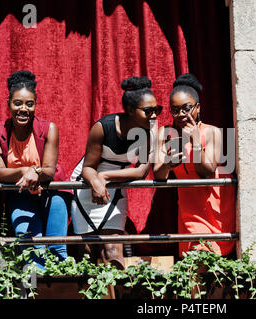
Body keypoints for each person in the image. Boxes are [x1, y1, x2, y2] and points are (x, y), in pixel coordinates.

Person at [70, 76, 160, 269]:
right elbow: (88, 168)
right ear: (129, 110)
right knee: (88, 254)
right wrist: (96, 181)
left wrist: (106, 177)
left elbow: (142, 171)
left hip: (115, 184)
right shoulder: (103, 127)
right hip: (86, 183)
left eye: (156, 110)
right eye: (148, 111)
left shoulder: (148, 133)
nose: (154, 116)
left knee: (113, 253)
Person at [0, 70, 70, 268]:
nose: (23, 109)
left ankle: (59, 291)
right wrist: (27, 170)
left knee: (56, 249)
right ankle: (35, 292)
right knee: (31, 249)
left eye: (29, 104)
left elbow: (49, 170)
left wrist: (37, 172)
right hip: (20, 194)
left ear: (35, 105)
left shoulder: (49, 128)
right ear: (9, 103)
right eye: (18, 103)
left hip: (53, 192)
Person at [153, 73, 236, 258]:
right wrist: (167, 164)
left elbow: (206, 171)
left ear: (197, 107)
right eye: (175, 110)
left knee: (204, 265)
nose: (181, 114)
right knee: (195, 261)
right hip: (188, 208)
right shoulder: (164, 134)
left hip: (213, 206)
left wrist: (196, 142)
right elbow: (158, 175)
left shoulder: (211, 132)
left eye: (186, 108)